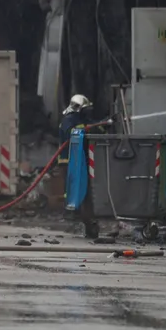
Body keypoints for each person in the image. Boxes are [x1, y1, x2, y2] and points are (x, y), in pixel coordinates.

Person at [58, 94, 97, 238]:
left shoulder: (80, 120)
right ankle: (73, 213)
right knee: (75, 190)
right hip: (69, 161)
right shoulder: (69, 120)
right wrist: (87, 128)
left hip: (78, 160)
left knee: (82, 190)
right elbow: (73, 134)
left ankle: (86, 222)